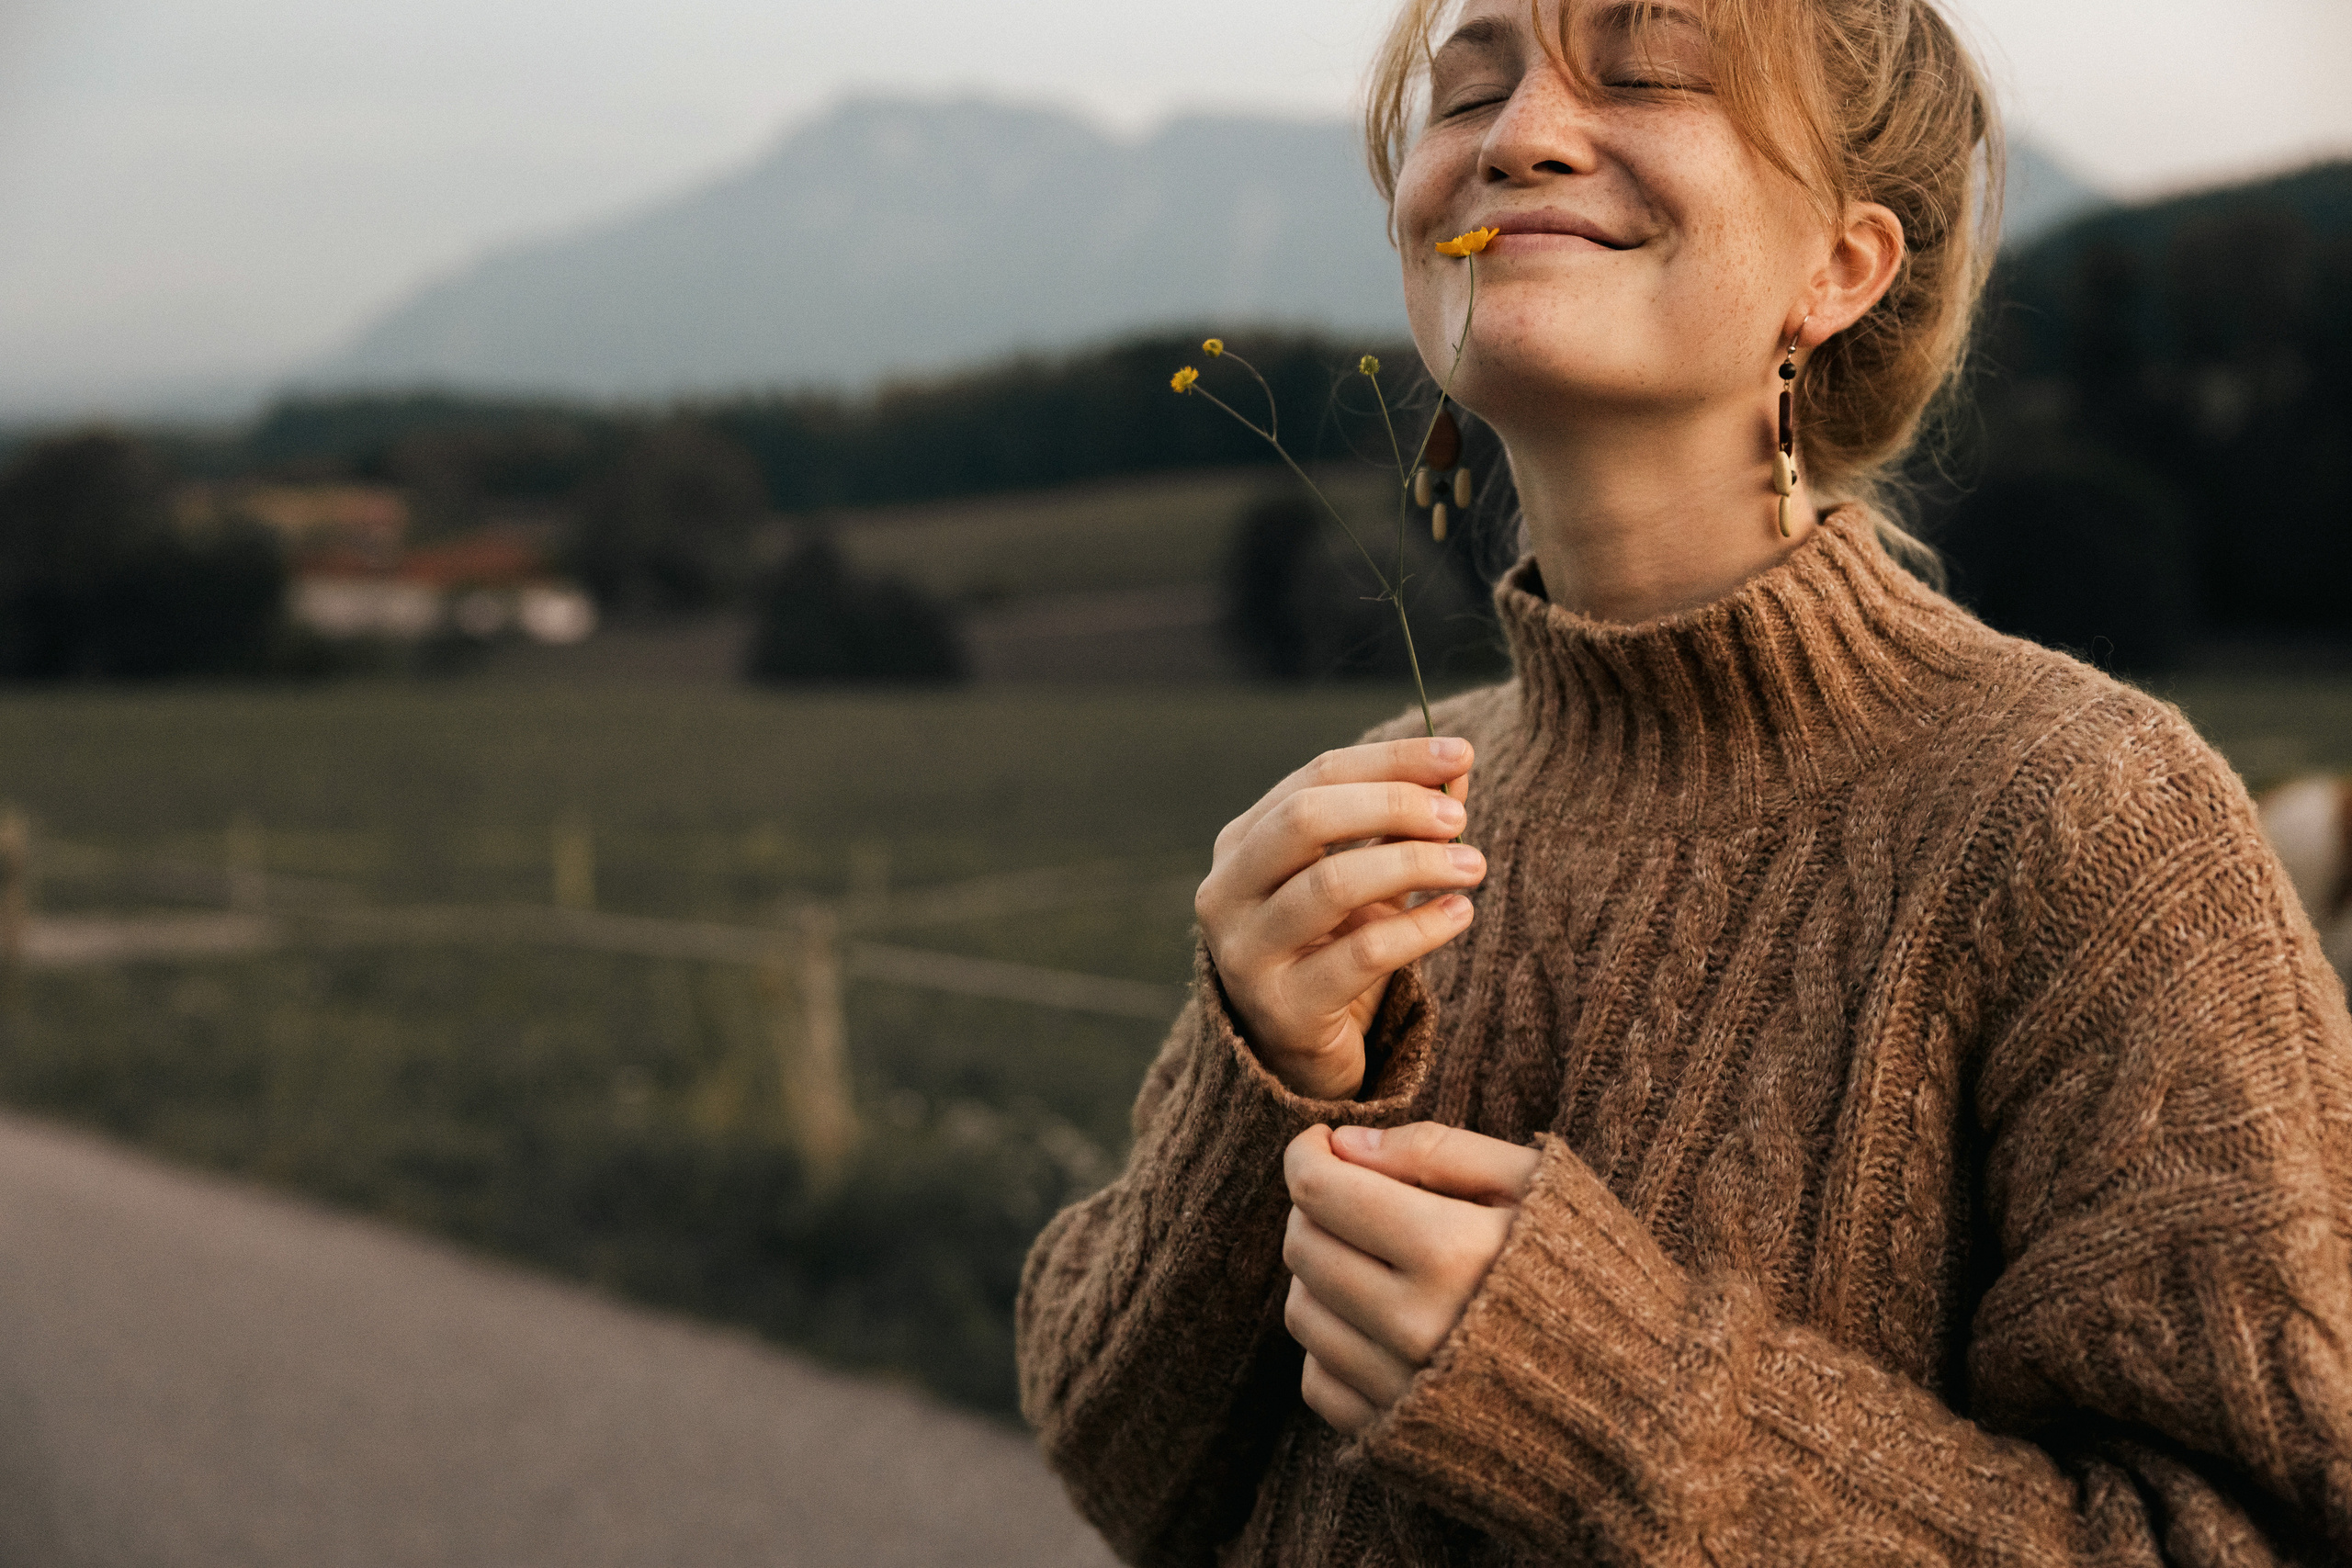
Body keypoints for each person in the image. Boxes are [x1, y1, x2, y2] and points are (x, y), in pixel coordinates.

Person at [1017, 0, 2352, 1560]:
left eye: (1647, 74)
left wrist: (1606, 1402)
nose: (1518, 136)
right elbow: (1125, 1473)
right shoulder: (1391, 796)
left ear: (1841, 269)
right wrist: (1262, 1092)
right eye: (1470, 91)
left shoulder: (2088, 826)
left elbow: (2251, 1534)